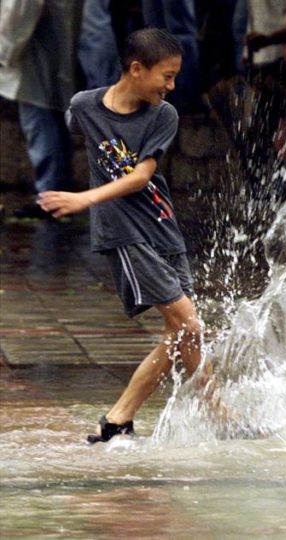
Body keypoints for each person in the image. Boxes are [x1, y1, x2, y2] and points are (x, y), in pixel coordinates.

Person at [37, 28, 203, 444]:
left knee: (180, 331)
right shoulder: (84, 107)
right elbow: (83, 132)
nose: (172, 85)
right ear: (135, 69)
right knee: (190, 325)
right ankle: (215, 408)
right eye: (166, 76)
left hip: (163, 228)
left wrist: (84, 197)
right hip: (124, 234)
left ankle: (117, 419)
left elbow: (141, 176)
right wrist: (89, 201)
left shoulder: (163, 115)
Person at [0, 0, 82, 219]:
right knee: (51, 119)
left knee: (40, 121)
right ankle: (57, 193)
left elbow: (20, 12)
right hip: (52, 43)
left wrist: (4, 52)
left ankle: (51, 197)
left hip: (33, 50)